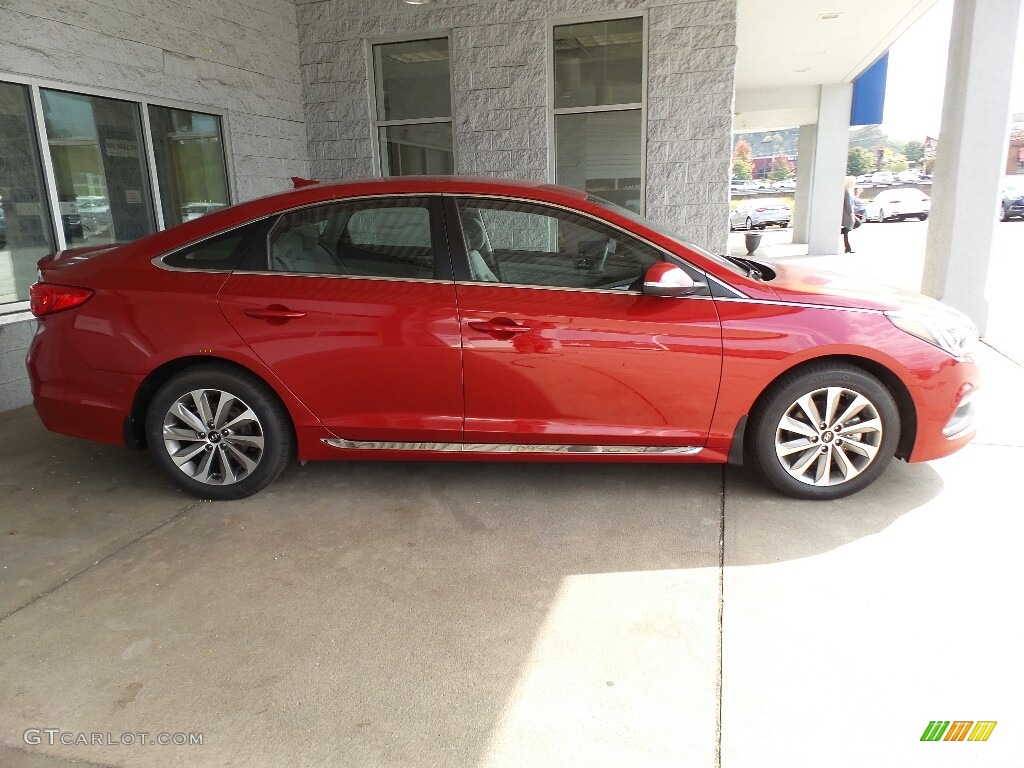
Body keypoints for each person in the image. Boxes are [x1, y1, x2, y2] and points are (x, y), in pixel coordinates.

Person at [841, 176, 857, 253]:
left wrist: (858, 194)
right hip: (847, 214)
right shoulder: (846, 191)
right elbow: (848, 204)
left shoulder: (849, 191)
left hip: (849, 213)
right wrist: (851, 214)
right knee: (848, 229)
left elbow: (853, 202)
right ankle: (848, 248)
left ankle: (848, 248)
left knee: (847, 230)